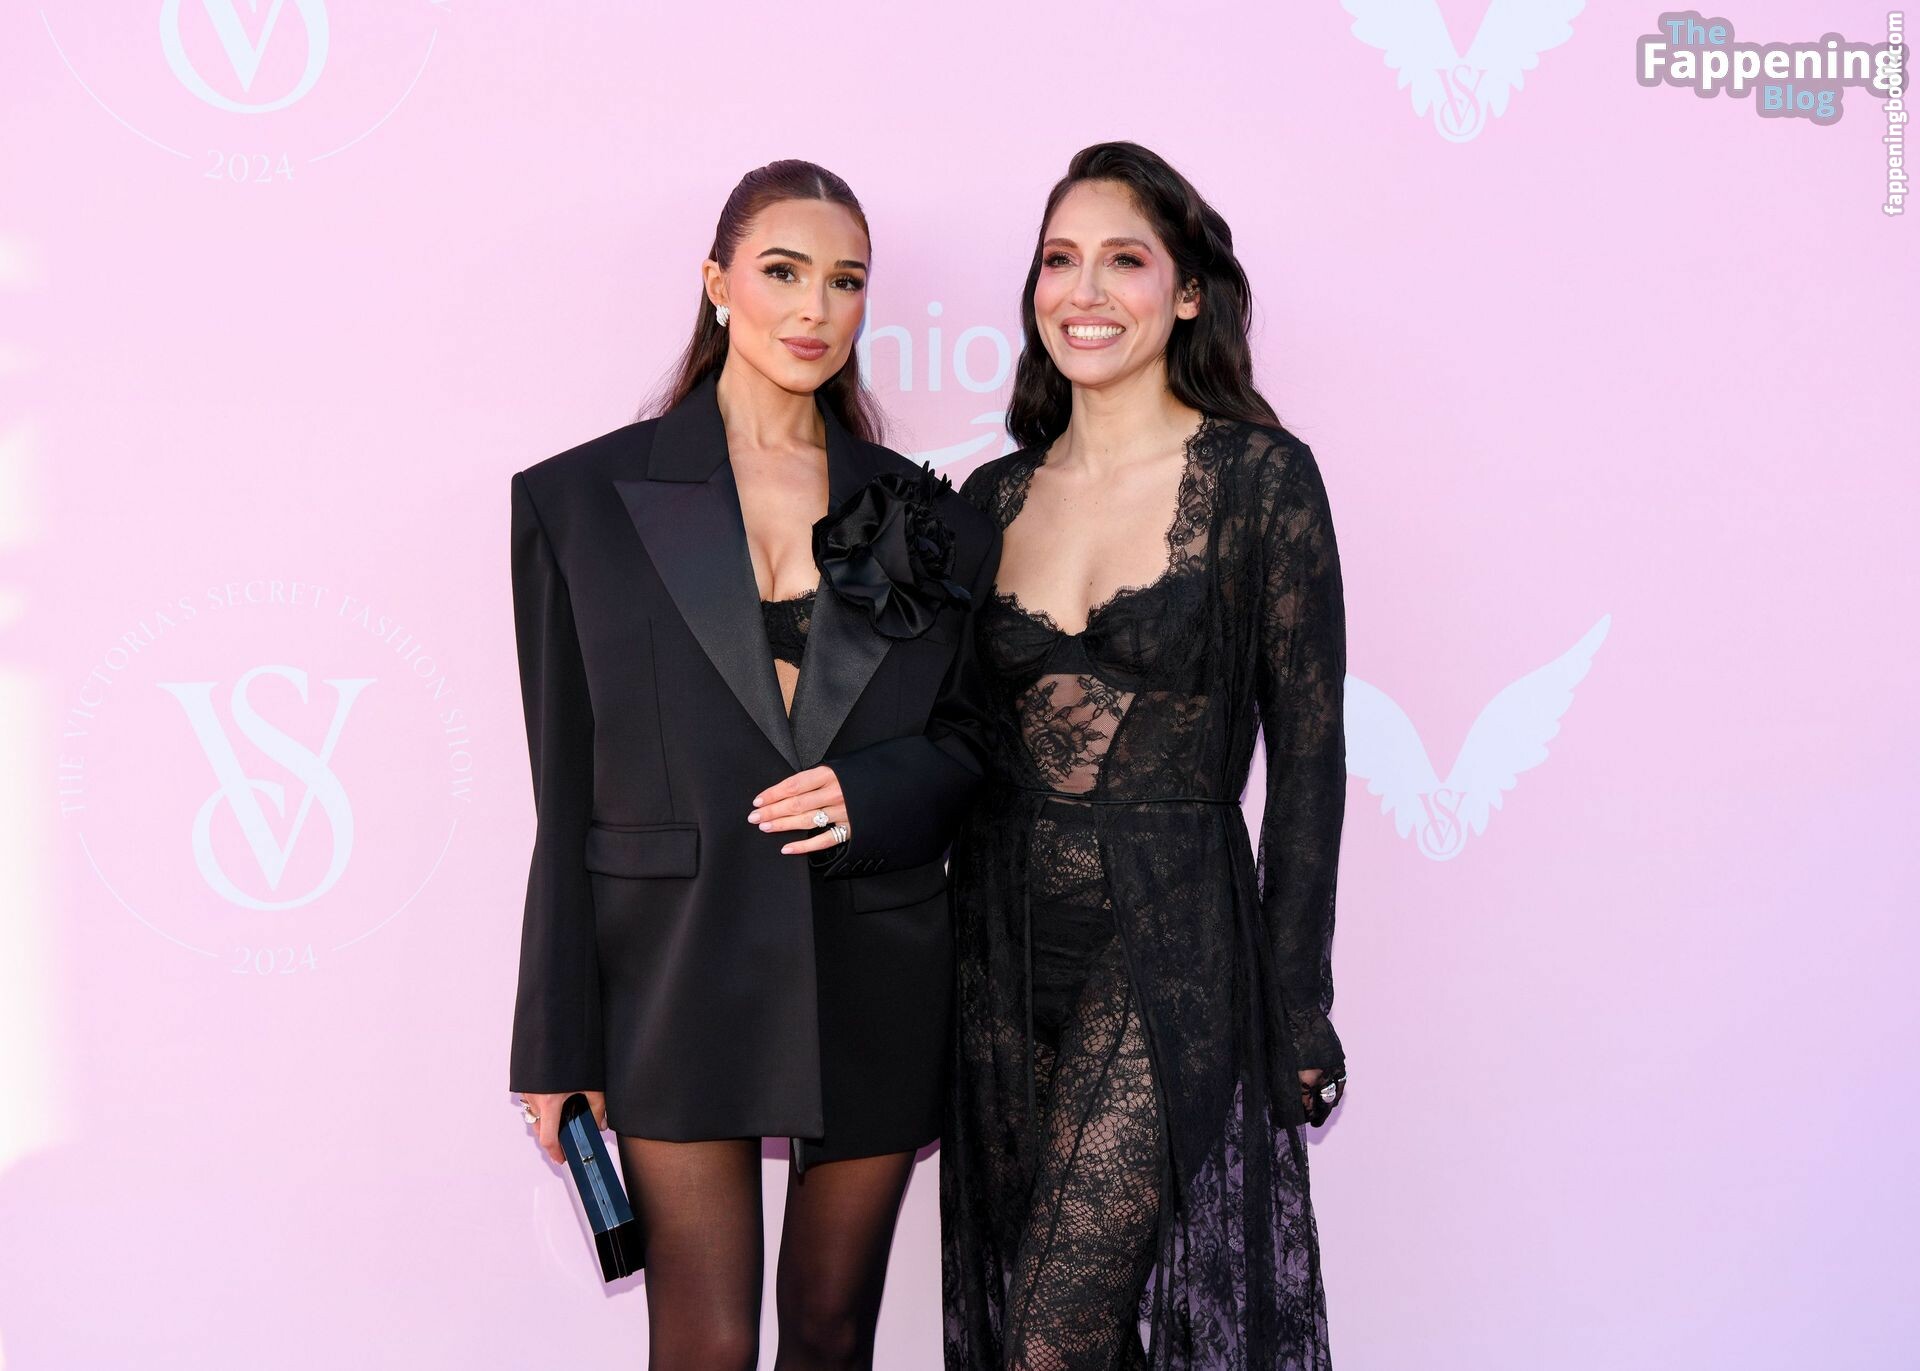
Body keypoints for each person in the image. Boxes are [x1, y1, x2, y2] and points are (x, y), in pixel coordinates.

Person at [506, 159, 1000, 1371]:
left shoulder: (932, 517)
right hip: (671, 970)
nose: (814, 309)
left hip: (875, 960)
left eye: (846, 281)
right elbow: (561, 789)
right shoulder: (578, 502)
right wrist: (557, 1044)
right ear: (718, 282)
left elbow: (976, 741)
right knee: (706, 1346)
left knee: (831, 1334)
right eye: (783, 271)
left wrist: (872, 795)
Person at [941, 142, 1351, 1370]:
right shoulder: (987, 498)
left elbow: (1311, 760)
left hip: (1169, 946)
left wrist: (1298, 1006)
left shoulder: (1260, 480)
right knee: (1058, 1328)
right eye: (1058, 260)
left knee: (1051, 1337)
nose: (1083, 291)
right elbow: (951, 744)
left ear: (1186, 294)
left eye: (1124, 260)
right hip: (1000, 947)